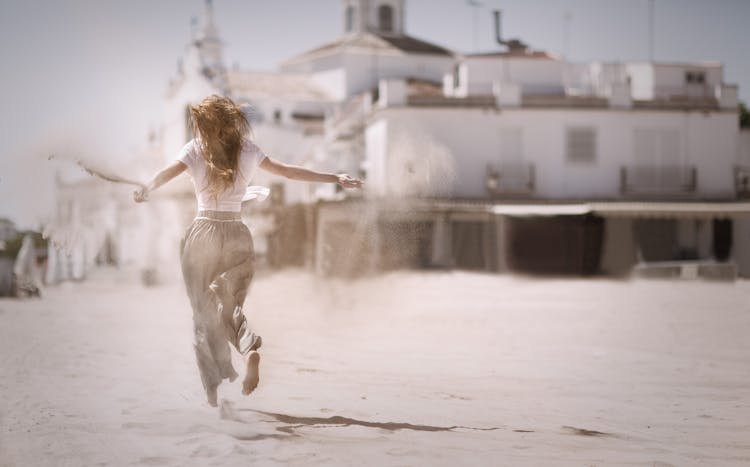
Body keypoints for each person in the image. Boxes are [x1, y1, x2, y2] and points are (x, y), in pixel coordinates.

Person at [133, 95, 362, 407]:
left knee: (203, 313)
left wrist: (146, 187)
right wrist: (335, 177)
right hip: (238, 233)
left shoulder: (195, 149)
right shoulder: (248, 150)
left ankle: (216, 392)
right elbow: (290, 173)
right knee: (228, 304)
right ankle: (248, 347)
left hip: (203, 234)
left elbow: (167, 173)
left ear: (203, 124)